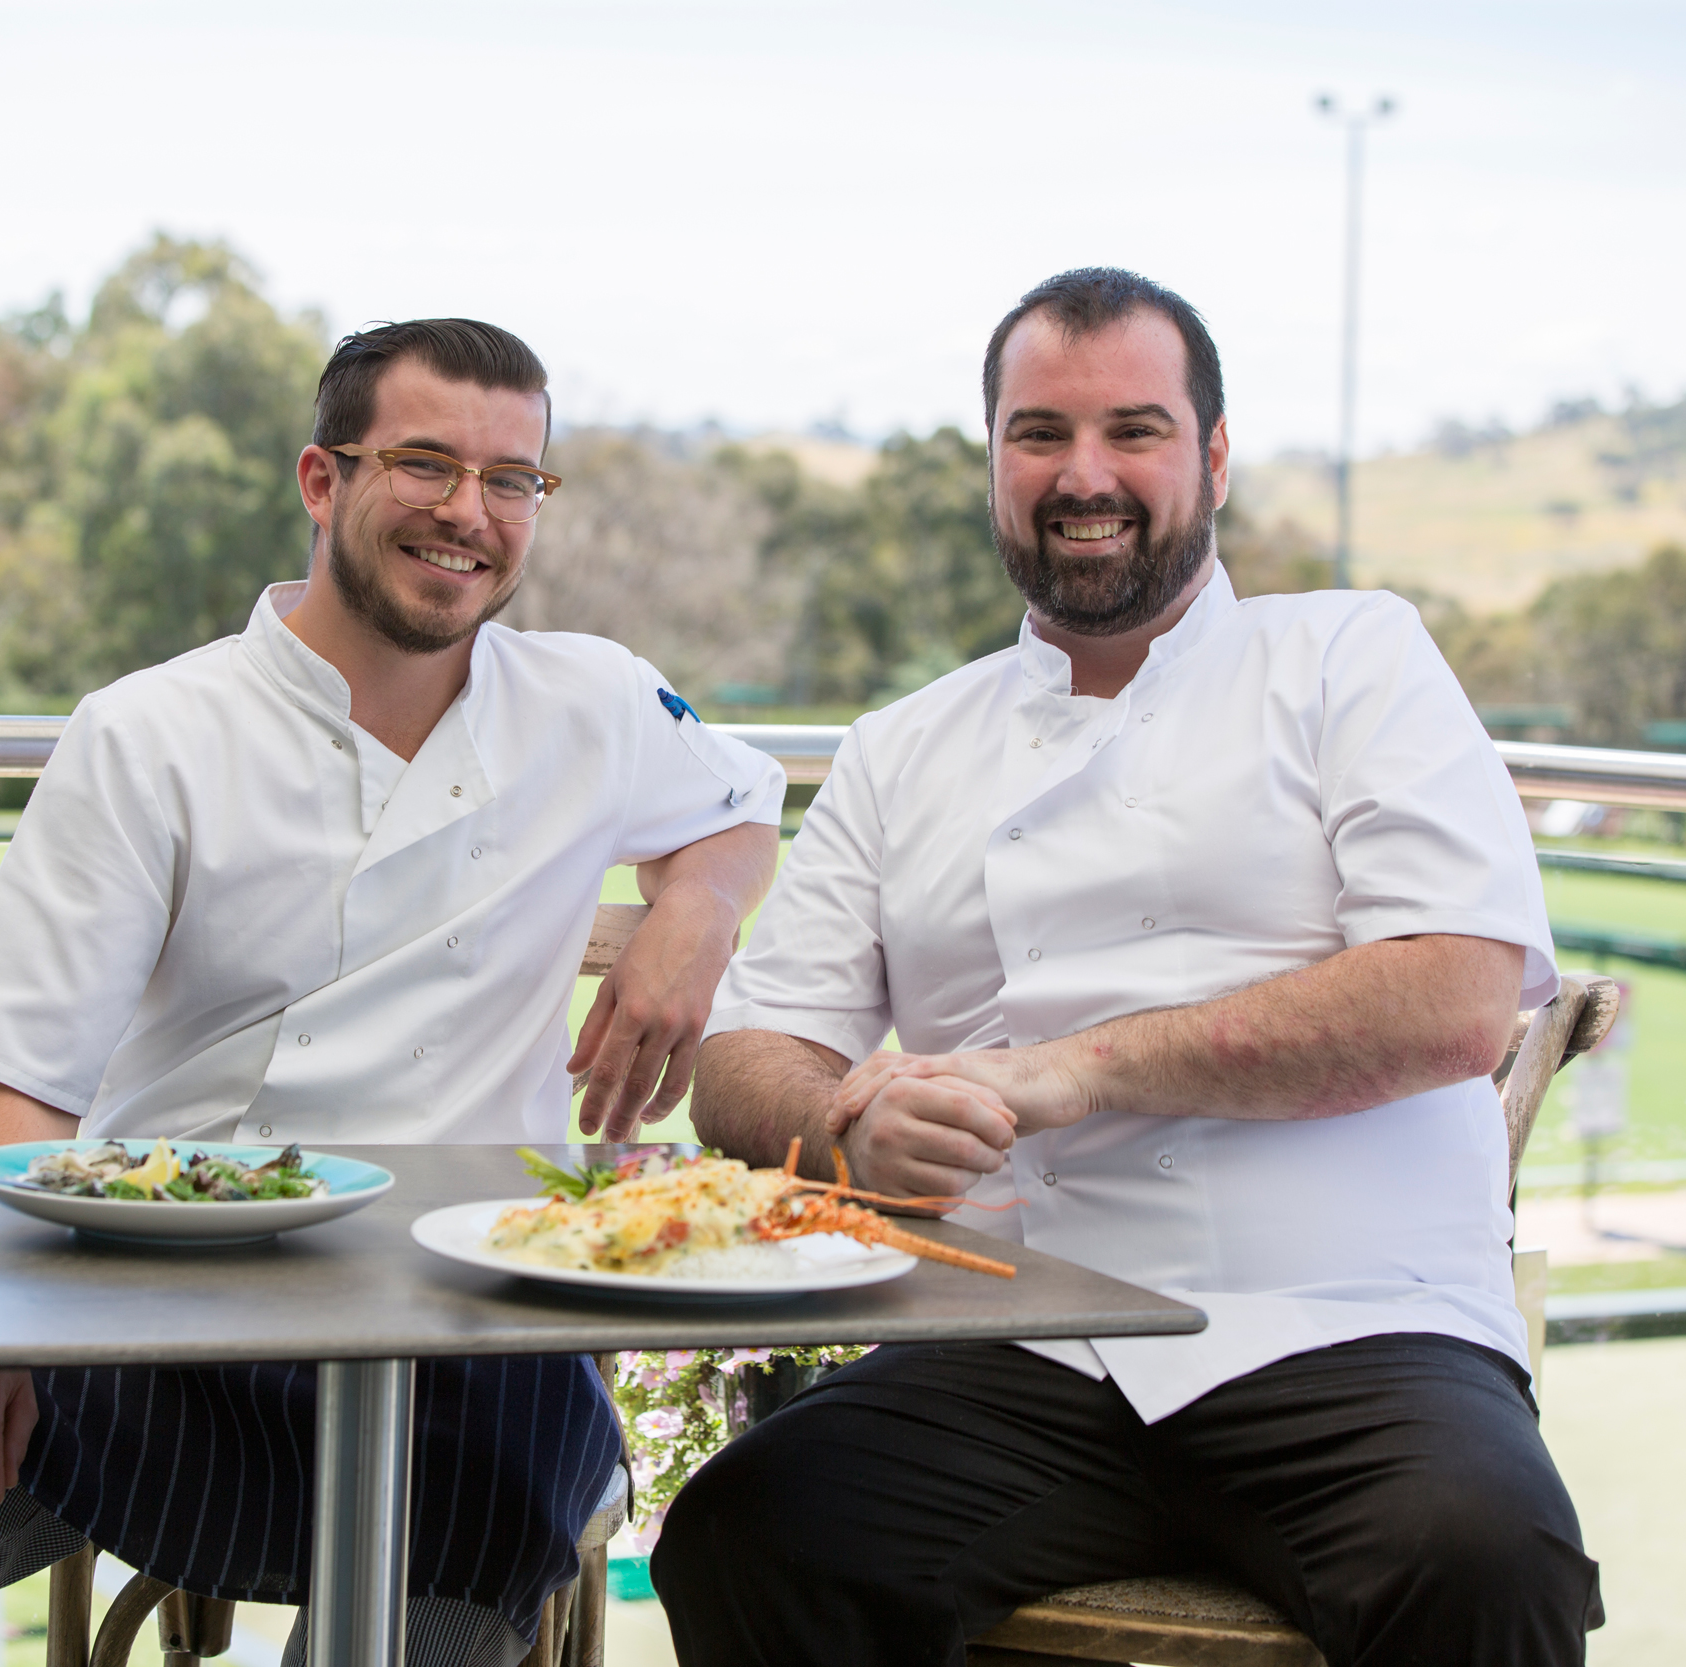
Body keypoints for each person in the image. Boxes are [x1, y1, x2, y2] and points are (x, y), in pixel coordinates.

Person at [0, 317, 785, 1667]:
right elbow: (14, 1092)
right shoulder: (153, 734)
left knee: (440, 1589)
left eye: (511, 479)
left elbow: (739, 807)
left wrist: (692, 914)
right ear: (321, 479)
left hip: (469, 1330)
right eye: (423, 464)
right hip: (158, 1315)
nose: (469, 513)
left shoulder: (594, 699)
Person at [650, 269, 1602, 1667]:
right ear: (992, 465)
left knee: (1482, 1557)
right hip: (1019, 1345)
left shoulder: (1351, 655)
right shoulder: (902, 745)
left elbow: (1456, 996)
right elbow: (741, 1064)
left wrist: (1071, 1071)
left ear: (1213, 457)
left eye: (1133, 432)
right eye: (1039, 434)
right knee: (756, 1529)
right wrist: (841, 1123)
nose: (1081, 475)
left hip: (1354, 1328)